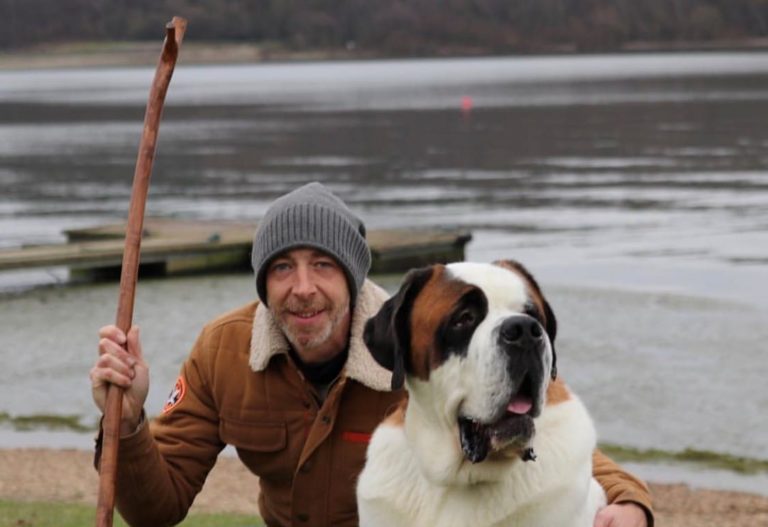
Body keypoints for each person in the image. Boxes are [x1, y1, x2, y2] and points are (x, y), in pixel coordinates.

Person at [91, 182, 654, 527]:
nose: (303, 287)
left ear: (355, 277)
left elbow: (547, 431)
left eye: (324, 265)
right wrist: (129, 418)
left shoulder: (424, 337)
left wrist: (632, 503)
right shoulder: (222, 350)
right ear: (263, 283)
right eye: (283, 267)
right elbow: (156, 509)